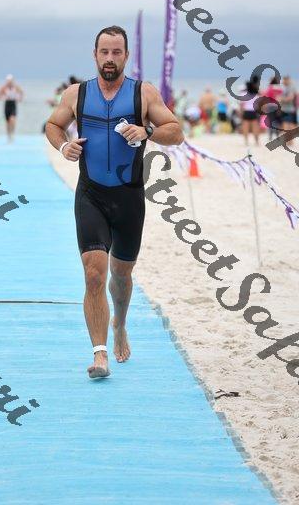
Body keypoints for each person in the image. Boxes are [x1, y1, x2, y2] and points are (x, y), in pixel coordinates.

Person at [45, 25, 184, 379]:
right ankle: (99, 354)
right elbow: (53, 125)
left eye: (116, 52)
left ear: (126, 56)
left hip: (129, 198)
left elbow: (176, 132)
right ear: (95, 55)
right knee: (94, 274)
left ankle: (119, 323)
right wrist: (64, 146)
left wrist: (147, 130)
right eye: (104, 52)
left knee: (121, 276)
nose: (110, 58)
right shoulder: (76, 94)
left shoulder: (143, 93)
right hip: (90, 194)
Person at [0, 74, 24, 142]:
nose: (9, 82)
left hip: (13, 104)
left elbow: (21, 92)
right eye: (8, 81)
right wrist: (3, 98)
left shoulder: (16, 87)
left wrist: (20, 99)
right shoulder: (4, 88)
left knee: (13, 119)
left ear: (12, 81)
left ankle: (12, 133)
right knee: (7, 122)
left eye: (10, 81)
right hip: (7, 104)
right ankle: (8, 135)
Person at [239, 81, 260, 146]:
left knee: (245, 127)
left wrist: (241, 113)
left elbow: (242, 105)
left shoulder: (243, 94)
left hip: (246, 111)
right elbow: (257, 105)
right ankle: (256, 142)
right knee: (255, 128)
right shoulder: (255, 94)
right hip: (253, 112)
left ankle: (246, 141)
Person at [280, 76, 297, 145]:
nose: (283, 82)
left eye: (284, 80)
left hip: (288, 109)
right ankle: (289, 141)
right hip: (288, 109)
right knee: (289, 125)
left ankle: (287, 141)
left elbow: (290, 98)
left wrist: (281, 99)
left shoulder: (291, 88)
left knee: (287, 124)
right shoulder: (286, 88)